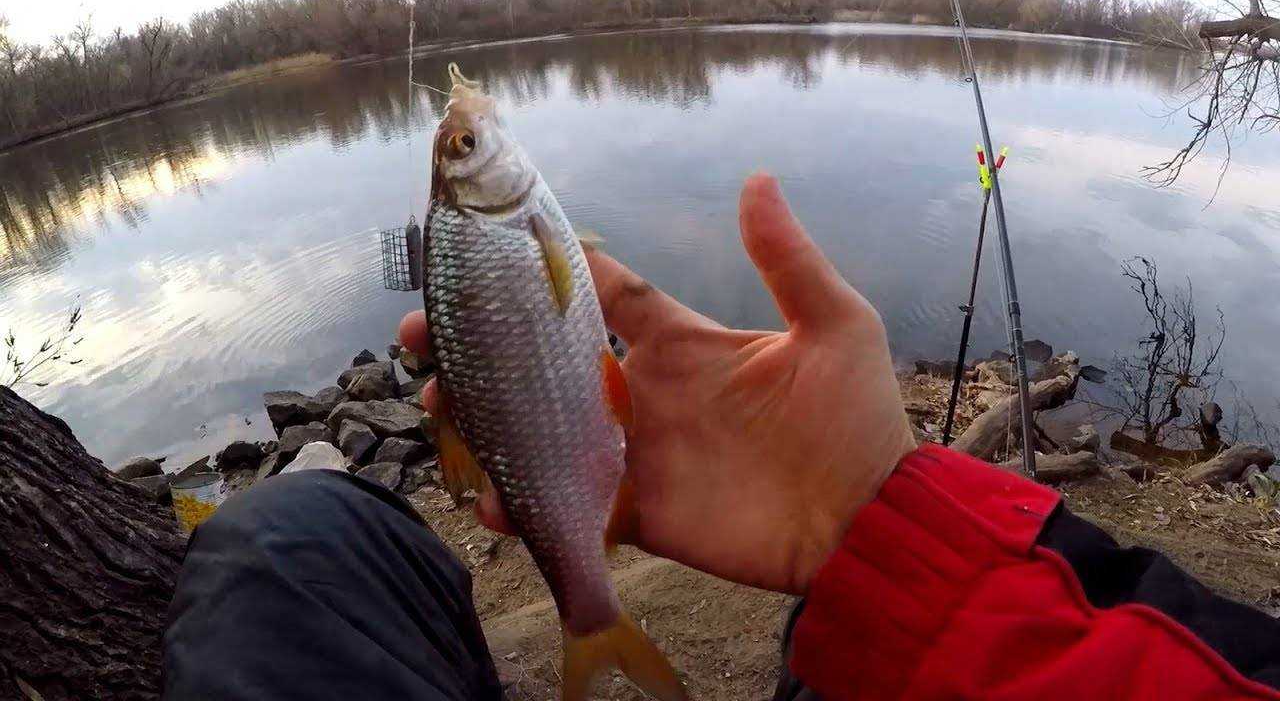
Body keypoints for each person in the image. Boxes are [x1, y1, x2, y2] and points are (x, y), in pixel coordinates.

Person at [164, 175, 1280, 700]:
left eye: (463, 147)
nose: (469, 147)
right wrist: (873, 518)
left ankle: (584, 624)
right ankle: (588, 620)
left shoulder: (501, 221)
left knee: (291, 537)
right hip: (952, 639)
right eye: (462, 149)